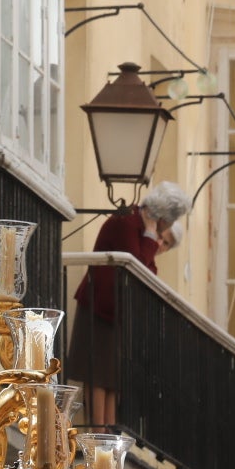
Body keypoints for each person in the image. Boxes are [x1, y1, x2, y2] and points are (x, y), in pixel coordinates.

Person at [67, 182, 190, 427]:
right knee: (99, 375)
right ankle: (99, 431)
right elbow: (139, 267)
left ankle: (109, 432)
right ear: (162, 218)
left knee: (113, 378)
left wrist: (149, 238)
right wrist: (149, 237)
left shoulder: (137, 225)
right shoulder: (128, 223)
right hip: (102, 307)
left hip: (117, 311)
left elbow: (147, 272)